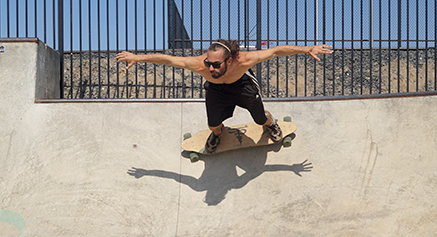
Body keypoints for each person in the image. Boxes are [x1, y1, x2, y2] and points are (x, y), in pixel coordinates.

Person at [116, 39, 333, 154]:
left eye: (216, 64)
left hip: (243, 87)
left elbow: (276, 51)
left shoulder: (245, 60)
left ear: (229, 61)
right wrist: (138, 57)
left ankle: (271, 123)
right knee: (213, 126)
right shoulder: (201, 65)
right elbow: (169, 60)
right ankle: (218, 135)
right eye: (208, 63)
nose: (210, 68)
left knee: (259, 119)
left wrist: (307, 49)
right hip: (217, 91)